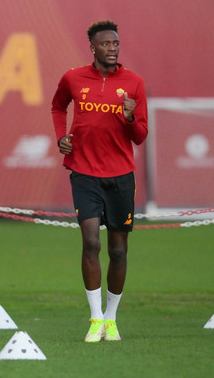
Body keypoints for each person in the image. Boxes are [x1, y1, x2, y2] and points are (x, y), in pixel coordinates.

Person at [51, 20, 148, 342]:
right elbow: (57, 106)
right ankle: (95, 319)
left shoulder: (134, 83)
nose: (112, 48)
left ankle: (111, 319)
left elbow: (140, 136)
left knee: (118, 251)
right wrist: (61, 137)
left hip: (120, 176)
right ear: (92, 47)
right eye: (106, 44)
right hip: (84, 172)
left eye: (116, 44)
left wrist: (130, 117)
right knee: (91, 243)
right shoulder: (73, 78)